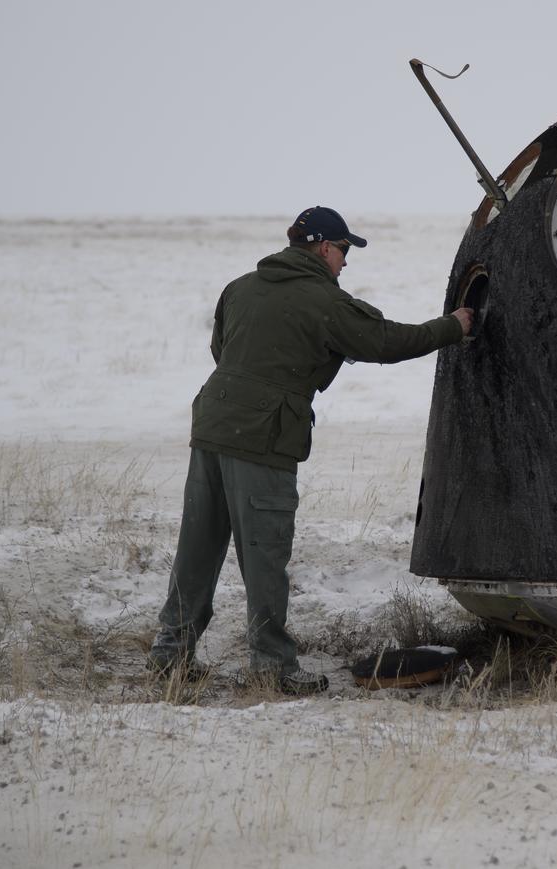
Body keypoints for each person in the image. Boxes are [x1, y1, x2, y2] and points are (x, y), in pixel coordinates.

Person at [149, 206, 474, 695]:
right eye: (344, 252)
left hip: (213, 424)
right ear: (324, 247)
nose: (345, 263)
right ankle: (272, 667)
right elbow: (386, 342)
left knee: (197, 548)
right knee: (264, 555)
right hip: (263, 436)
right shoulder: (323, 301)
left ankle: (169, 657)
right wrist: (454, 326)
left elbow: (222, 350)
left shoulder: (240, 286)